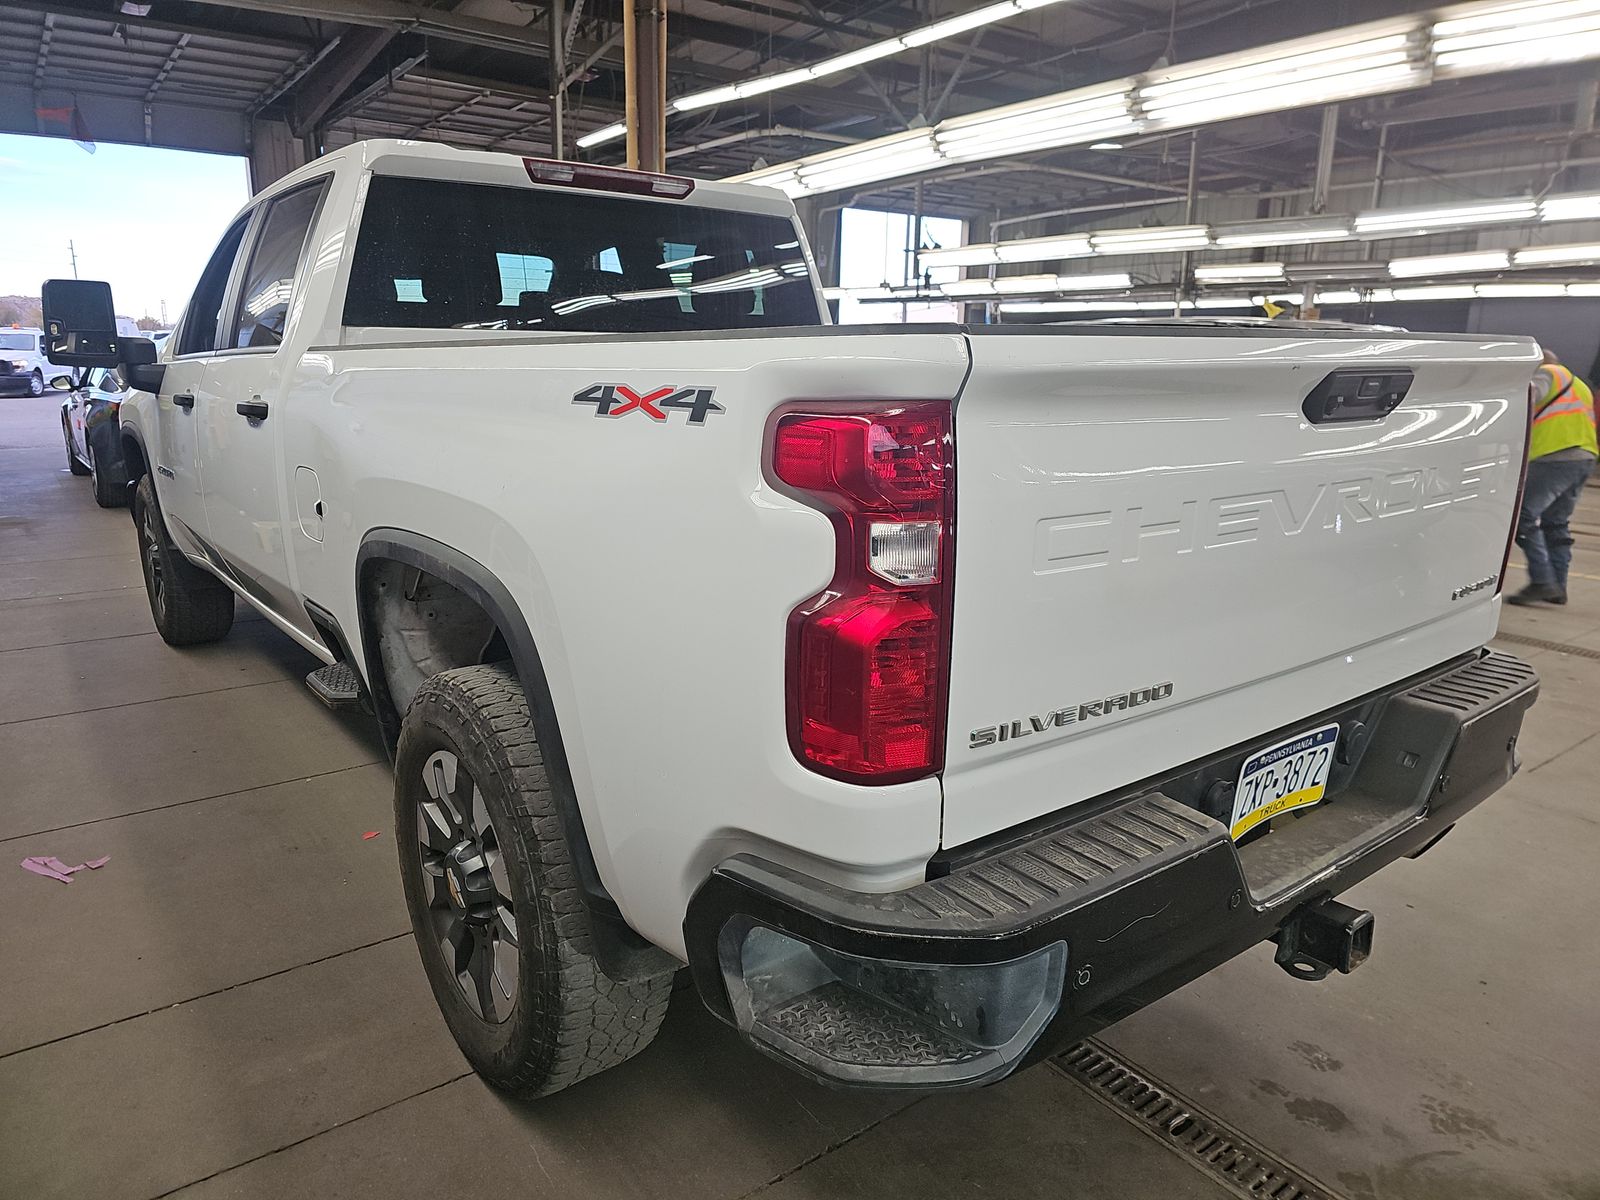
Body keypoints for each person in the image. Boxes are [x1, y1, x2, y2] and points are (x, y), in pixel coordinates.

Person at [1507, 350, 1597, 605]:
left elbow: (1524, 403)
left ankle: (1543, 582)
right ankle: (1558, 586)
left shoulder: (1549, 373)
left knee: (1522, 515)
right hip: (1584, 457)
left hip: (1555, 457)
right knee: (1555, 523)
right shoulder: (1580, 386)